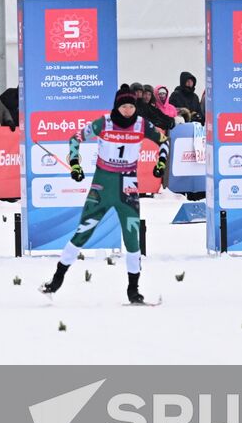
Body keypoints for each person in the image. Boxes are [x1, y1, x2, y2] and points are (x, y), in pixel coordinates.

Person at [41, 85, 170, 304]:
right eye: (124, 106)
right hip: (101, 186)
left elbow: (164, 140)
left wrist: (161, 162)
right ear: (117, 106)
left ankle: (133, 290)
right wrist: (75, 165)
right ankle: (56, 280)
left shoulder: (141, 125)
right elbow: (75, 139)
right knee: (82, 233)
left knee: (132, 239)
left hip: (127, 188)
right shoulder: (104, 122)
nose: (128, 110)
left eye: (131, 106)